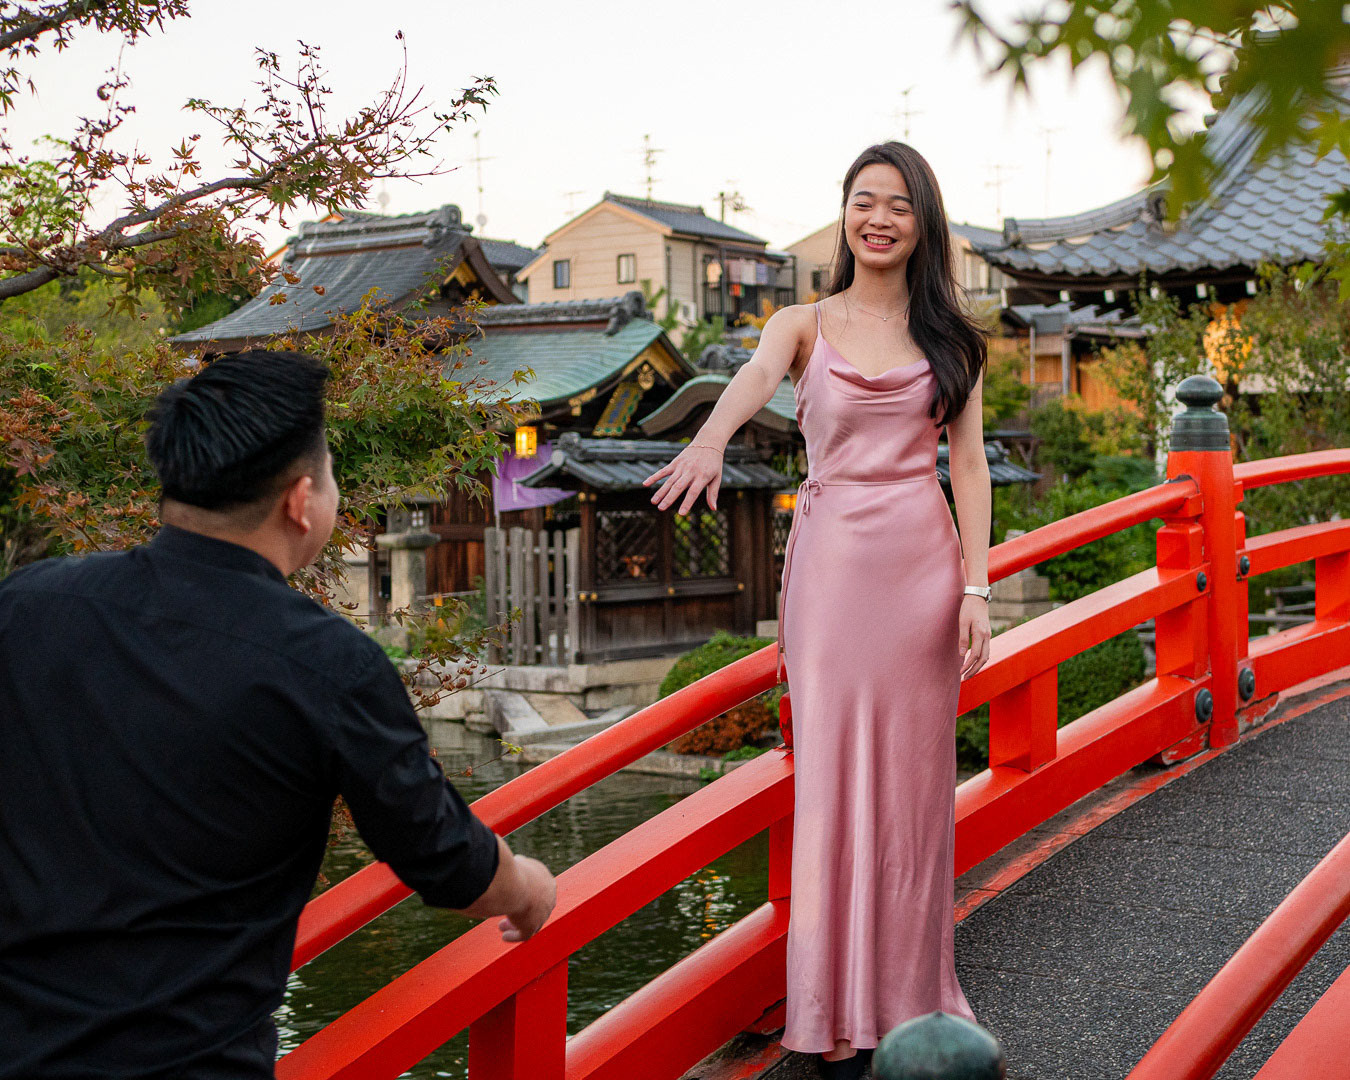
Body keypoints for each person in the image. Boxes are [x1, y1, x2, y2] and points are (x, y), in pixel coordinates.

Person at [0, 349, 556, 1080]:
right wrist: (528, 890)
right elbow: (448, 863)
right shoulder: (329, 665)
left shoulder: (30, 603)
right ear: (302, 500)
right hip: (189, 1061)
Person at [643, 142, 990, 1080]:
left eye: (898, 206)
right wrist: (711, 439)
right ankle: (829, 1011)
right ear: (845, 215)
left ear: (925, 221)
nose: (878, 219)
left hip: (923, 569)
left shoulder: (953, 339)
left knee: (916, 793)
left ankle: (913, 1003)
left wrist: (977, 588)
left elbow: (968, 464)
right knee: (834, 782)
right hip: (833, 575)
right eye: (863, 202)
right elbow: (752, 382)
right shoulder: (801, 323)